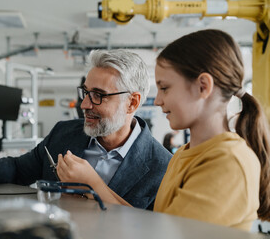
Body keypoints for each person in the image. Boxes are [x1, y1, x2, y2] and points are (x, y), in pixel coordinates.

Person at [57, 30, 270, 231]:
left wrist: (94, 185)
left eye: (165, 88)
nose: (158, 101)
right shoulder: (184, 155)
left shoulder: (228, 163)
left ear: (203, 86)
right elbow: (153, 226)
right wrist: (93, 188)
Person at [0, 49, 172, 210]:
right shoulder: (64, 133)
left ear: (132, 103)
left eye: (98, 96)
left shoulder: (162, 167)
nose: (84, 105)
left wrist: (93, 184)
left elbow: (150, 230)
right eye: (85, 92)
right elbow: (18, 170)